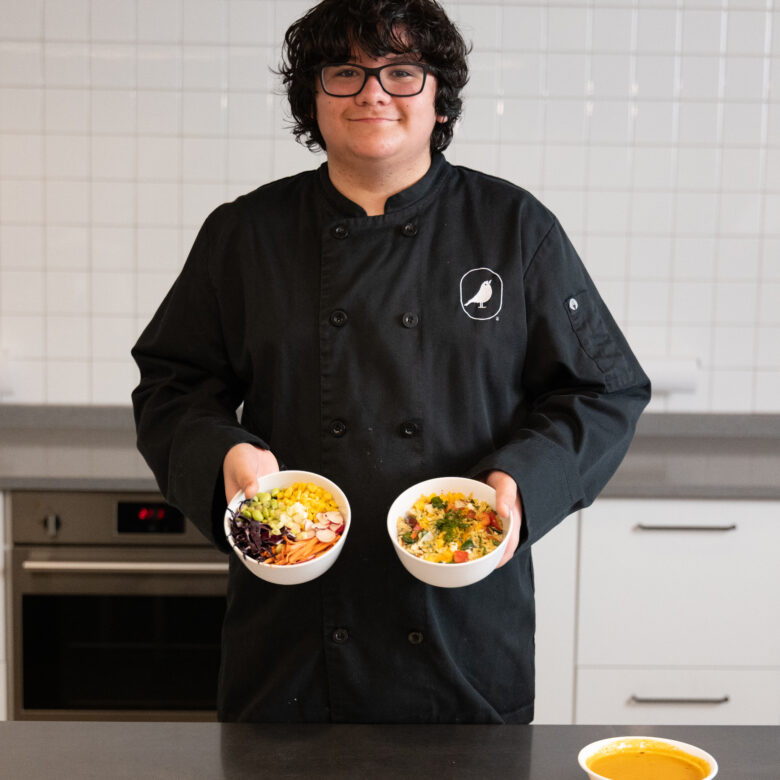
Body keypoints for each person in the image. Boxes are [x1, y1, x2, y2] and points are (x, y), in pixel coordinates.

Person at [132, 0, 650, 724]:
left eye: (401, 71)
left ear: (439, 98)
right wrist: (225, 454)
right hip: (294, 629)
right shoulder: (245, 233)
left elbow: (604, 389)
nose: (373, 91)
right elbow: (173, 384)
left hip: (460, 623)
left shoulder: (513, 227)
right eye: (345, 71)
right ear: (312, 98)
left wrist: (519, 483)